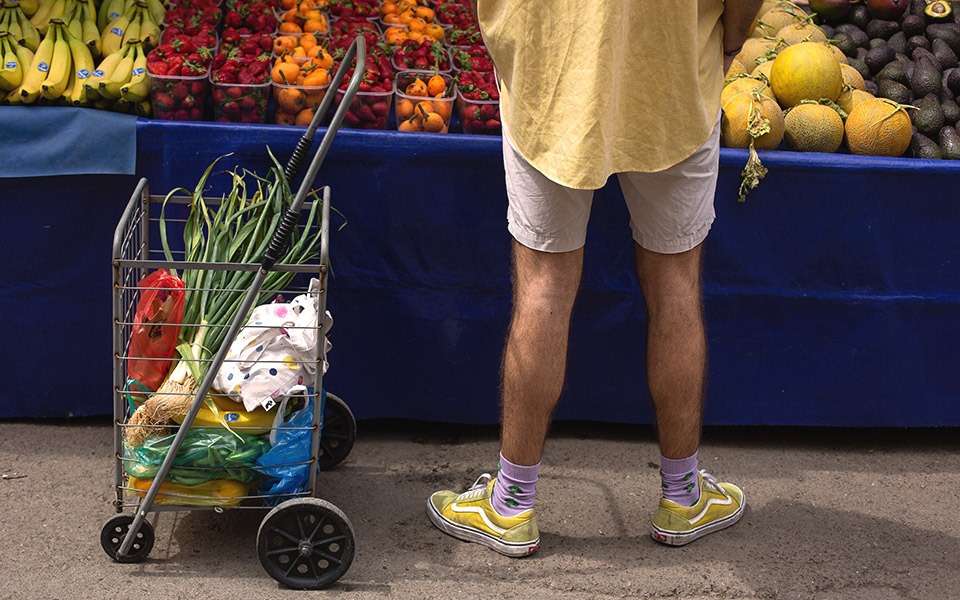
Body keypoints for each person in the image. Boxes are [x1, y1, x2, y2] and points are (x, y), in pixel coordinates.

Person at [427, 0, 763, 556]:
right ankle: (683, 496)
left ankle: (511, 504)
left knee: (543, 289)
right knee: (675, 288)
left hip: (551, 78)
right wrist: (727, 42)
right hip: (673, 75)